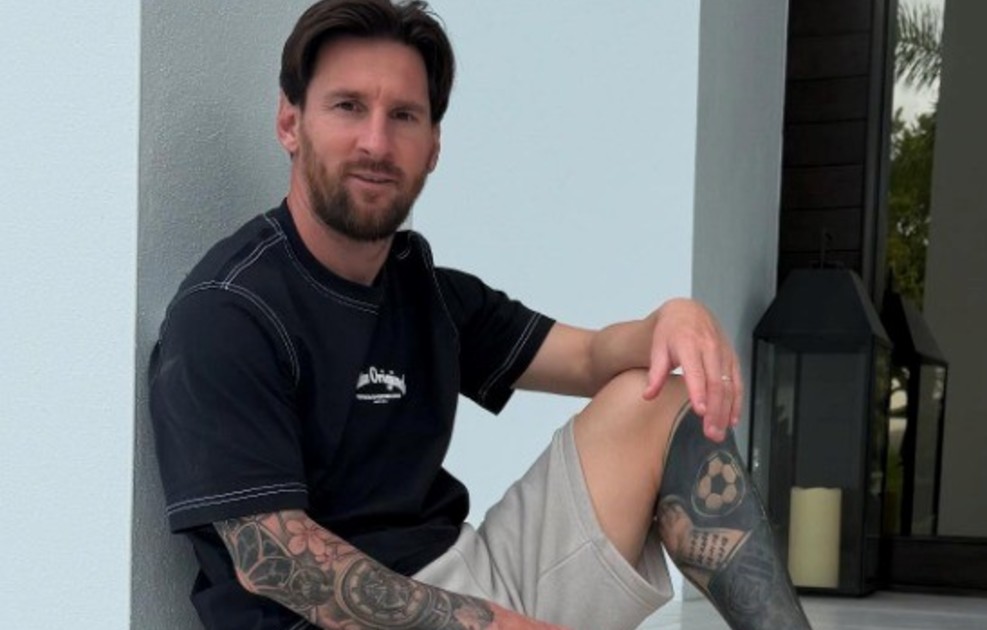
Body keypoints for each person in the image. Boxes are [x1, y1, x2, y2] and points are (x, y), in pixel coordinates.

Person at [149, 1, 813, 628]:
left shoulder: (423, 289)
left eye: (404, 115)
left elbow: (589, 358)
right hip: (334, 618)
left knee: (662, 399)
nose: (376, 142)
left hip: (464, 586)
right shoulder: (230, 311)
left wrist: (673, 318)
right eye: (348, 107)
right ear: (290, 124)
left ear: (433, 146)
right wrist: (495, 624)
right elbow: (278, 563)